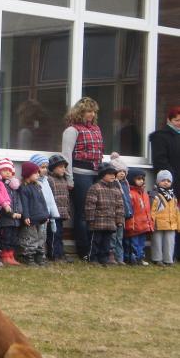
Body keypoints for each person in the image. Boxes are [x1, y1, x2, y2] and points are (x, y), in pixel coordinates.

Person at [62, 97, 104, 260]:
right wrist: (70, 178)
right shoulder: (72, 130)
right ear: (80, 112)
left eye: (93, 111)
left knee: (94, 212)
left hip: (95, 174)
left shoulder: (96, 129)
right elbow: (67, 156)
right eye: (88, 111)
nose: (91, 114)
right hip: (80, 174)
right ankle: (84, 249)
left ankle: (95, 247)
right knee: (82, 213)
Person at [149, 106, 180, 261]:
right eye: (177, 120)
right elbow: (161, 161)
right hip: (172, 183)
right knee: (169, 219)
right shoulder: (161, 137)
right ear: (169, 120)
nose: (179, 123)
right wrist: (169, 180)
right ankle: (169, 255)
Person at [84, 163, 125, 267]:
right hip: (97, 223)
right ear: (102, 175)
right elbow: (90, 205)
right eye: (110, 174)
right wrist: (90, 219)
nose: (113, 176)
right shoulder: (95, 188)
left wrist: (119, 220)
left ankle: (104, 259)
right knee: (95, 241)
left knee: (106, 243)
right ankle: (92, 258)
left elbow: (120, 207)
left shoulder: (116, 190)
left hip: (110, 223)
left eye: (114, 174)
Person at [18, 161, 50, 266]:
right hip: (30, 219)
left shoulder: (37, 186)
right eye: (35, 173)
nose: (38, 174)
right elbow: (24, 204)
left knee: (41, 237)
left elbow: (43, 202)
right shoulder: (24, 188)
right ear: (28, 174)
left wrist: (46, 214)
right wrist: (26, 216)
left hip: (41, 218)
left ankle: (39, 255)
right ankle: (28, 256)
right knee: (31, 238)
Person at [0, 158, 22, 266]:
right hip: (5, 218)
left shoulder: (14, 187)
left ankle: (11, 255)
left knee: (13, 238)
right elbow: (2, 202)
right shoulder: (1, 185)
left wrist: (20, 211)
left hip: (15, 218)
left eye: (9, 170)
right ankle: (5, 256)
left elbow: (18, 200)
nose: (7, 172)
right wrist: (10, 213)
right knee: (5, 237)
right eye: (4, 170)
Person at [124, 168, 153, 266]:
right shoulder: (131, 194)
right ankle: (132, 258)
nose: (141, 181)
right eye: (138, 179)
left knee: (141, 243)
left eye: (142, 179)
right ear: (132, 179)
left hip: (143, 224)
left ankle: (140, 257)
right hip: (134, 224)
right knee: (133, 243)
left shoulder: (144, 193)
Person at [149, 170, 178, 266]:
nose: (166, 182)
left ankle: (168, 259)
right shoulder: (155, 194)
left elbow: (176, 211)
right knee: (157, 241)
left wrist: (178, 224)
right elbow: (152, 210)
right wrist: (151, 223)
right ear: (158, 181)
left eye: (168, 181)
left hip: (171, 223)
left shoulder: (173, 196)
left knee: (170, 242)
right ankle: (157, 259)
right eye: (163, 180)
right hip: (158, 223)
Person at [108, 153, 133, 266]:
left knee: (120, 237)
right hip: (113, 215)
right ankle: (111, 257)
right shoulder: (113, 185)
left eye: (124, 171)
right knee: (112, 237)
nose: (122, 173)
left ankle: (120, 257)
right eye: (119, 171)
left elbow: (127, 200)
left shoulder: (125, 184)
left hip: (122, 215)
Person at [46, 154, 72, 262]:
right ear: (53, 168)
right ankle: (54, 254)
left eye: (64, 167)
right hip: (53, 214)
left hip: (62, 212)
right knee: (53, 234)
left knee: (60, 234)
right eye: (60, 167)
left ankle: (60, 253)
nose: (63, 169)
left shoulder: (64, 180)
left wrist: (67, 209)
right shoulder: (50, 180)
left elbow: (66, 197)